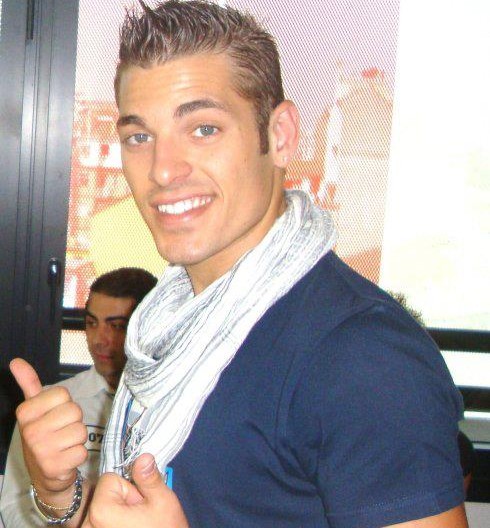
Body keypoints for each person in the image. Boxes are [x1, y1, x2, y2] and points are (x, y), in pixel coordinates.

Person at [9, 2, 468, 527]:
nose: (163, 170)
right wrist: (57, 490)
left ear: (280, 136)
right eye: (140, 137)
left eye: (203, 129)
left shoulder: (363, 356)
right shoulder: (167, 329)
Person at [0, 267, 157, 527]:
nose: (99, 340)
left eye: (117, 326)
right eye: (92, 323)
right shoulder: (49, 404)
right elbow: (13, 504)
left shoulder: (173, 407)